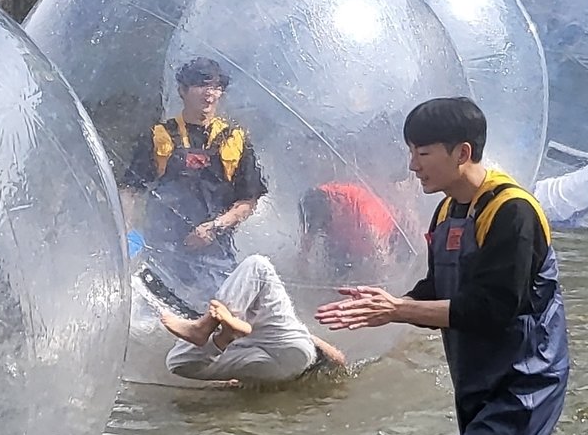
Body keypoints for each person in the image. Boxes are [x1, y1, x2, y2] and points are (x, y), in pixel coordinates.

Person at [314, 98, 569, 435]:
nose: (412, 165)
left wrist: (398, 309)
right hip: (477, 376)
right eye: (411, 152)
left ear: (462, 153)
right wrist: (388, 303)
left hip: (523, 381)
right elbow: (442, 288)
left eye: (422, 153)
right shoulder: (448, 211)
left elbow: (493, 310)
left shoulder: (512, 212)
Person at [121, 57, 267, 314]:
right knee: (151, 323)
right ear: (182, 90)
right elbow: (130, 191)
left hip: (214, 255)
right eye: (201, 85)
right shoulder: (159, 136)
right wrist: (129, 235)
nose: (210, 93)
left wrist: (214, 227)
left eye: (217, 87)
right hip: (163, 253)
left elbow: (248, 201)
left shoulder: (235, 139)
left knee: (224, 321)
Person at [160, 254, 347, 385]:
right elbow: (339, 361)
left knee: (258, 265)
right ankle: (222, 336)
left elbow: (338, 359)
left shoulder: (252, 304)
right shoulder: (264, 313)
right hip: (283, 366)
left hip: (281, 351)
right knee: (176, 362)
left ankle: (205, 327)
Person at [299, 181, 407, 280]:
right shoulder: (316, 198)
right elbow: (306, 241)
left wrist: (383, 280)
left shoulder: (365, 215)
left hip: (382, 237)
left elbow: (382, 256)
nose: (322, 229)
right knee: (333, 274)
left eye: (324, 225)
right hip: (346, 236)